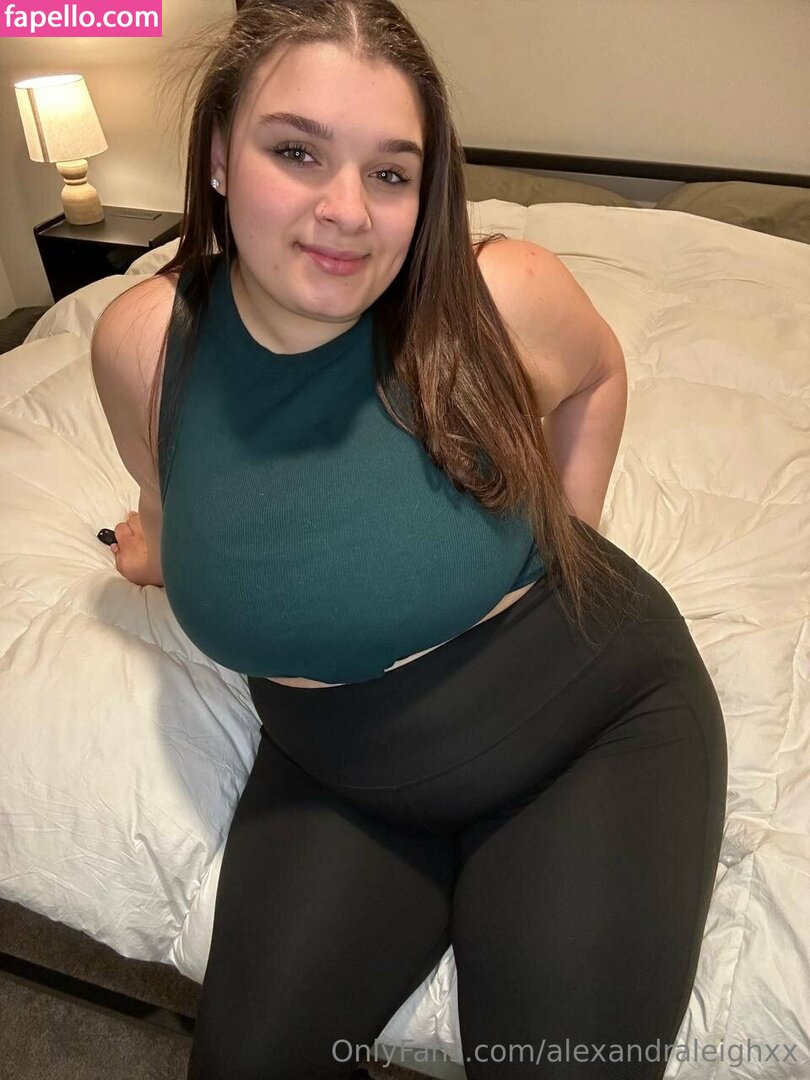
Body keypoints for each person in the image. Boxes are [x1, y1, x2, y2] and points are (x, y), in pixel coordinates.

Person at [90, 2, 728, 1077]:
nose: (346, 211)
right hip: (334, 765)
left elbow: (600, 372)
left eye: (390, 172)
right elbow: (176, 498)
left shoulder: (500, 296)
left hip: (589, 724)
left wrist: (570, 537)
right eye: (296, 152)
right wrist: (157, 554)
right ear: (218, 156)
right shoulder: (143, 346)